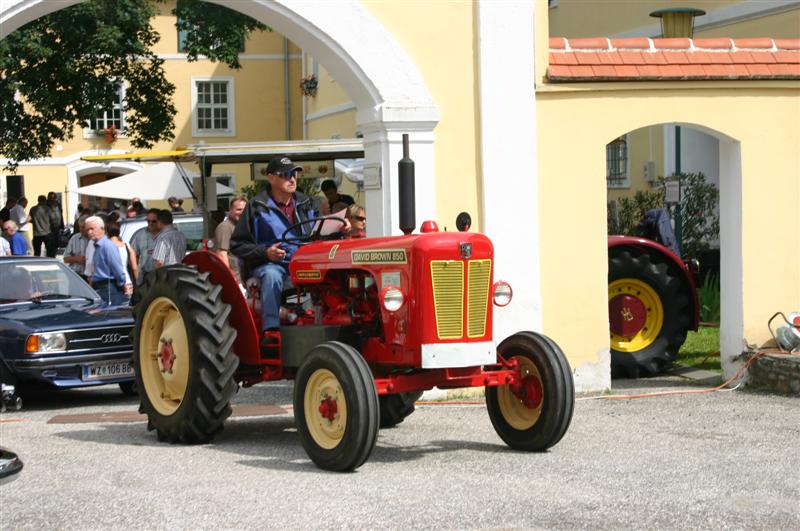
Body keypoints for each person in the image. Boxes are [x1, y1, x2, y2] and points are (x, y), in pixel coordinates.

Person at [231, 156, 349, 354]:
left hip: (305, 261)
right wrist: (265, 252)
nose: (292, 179)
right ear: (271, 178)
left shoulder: (306, 202)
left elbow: (317, 233)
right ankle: (271, 331)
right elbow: (237, 245)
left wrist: (339, 229)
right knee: (272, 275)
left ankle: (339, 321)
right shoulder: (256, 206)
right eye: (285, 174)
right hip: (271, 264)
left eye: (294, 173)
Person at [84, 216, 129, 306]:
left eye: (92, 229)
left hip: (109, 288)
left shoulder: (107, 246)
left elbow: (117, 269)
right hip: (100, 288)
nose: (89, 232)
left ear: (102, 229)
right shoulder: (97, 246)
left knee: (110, 316)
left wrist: (122, 284)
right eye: (87, 229)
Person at [213, 195, 247, 283]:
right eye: (238, 209)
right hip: (235, 280)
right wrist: (230, 279)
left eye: (244, 210)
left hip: (244, 279)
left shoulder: (241, 226)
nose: (242, 212)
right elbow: (221, 254)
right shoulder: (225, 227)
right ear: (230, 210)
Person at [107, 221, 138, 301]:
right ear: (119, 232)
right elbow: (134, 268)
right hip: (127, 282)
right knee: (125, 310)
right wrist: (138, 284)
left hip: (109, 284)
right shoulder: (127, 246)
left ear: (107, 232)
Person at [130, 208, 161, 284]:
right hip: (144, 276)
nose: (150, 223)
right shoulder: (140, 235)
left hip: (161, 276)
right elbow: (133, 254)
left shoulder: (166, 235)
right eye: (148, 221)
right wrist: (136, 272)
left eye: (154, 221)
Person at [63, 215, 90, 281]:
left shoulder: (93, 239)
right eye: (80, 227)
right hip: (75, 274)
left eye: (83, 227)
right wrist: (77, 259)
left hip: (90, 275)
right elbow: (65, 258)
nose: (81, 229)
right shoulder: (74, 238)